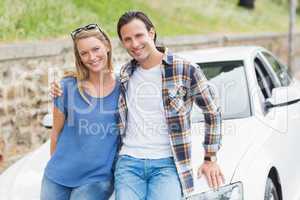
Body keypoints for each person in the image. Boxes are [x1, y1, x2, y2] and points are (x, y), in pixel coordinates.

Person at [51, 11, 224, 200]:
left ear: (151, 33)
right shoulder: (125, 73)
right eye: (127, 39)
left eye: (139, 36)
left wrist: (210, 158)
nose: (134, 44)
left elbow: (212, 111)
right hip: (128, 163)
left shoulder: (185, 69)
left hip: (167, 164)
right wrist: (62, 85)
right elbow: (95, 83)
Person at [41, 24, 120, 200]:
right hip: (56, 178)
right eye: (84, 53)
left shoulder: (125, 87)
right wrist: (55, 165)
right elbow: (55, 133)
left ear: (107, 45)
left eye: (96, 49)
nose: (92, 57)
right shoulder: (66, 87)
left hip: (97, 180)